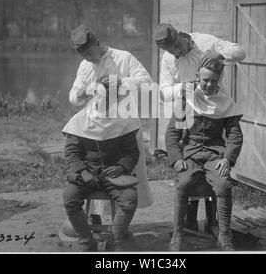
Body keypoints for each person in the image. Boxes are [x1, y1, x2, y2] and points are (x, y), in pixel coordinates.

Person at [155, 23, 246, 231]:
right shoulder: (169, 59)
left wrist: (218, 56)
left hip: (215, 106)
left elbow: (240, 51)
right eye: (170, 50)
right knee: (189, 163)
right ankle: (189, 224)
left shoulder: (204, 41)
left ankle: (214, 224)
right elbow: (163, 93)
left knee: (214, 162)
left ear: (180, 35)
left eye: (176, 46)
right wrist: (187, 86)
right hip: (188, 105)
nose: (175, 52)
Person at [165, 60, 243, 251]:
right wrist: (177, 159)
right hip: (190, 152)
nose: (209, 85)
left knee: (223, 185)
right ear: (198, 77)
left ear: (219, 80)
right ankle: (178, 233)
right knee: (182, 184)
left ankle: (225, 235)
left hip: (215, 154)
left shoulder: (225, 103)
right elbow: (172, 133)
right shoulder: (187, 99)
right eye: (205, 80)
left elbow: (235, 135)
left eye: (213, 81)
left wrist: (227, 158)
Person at [62, 78, 141, 251]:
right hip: (86, 172)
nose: (102, 101)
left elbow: (132, 152)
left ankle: (114, 240)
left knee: (129, 200)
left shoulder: (123, 120)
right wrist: (82, 172)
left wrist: (121, 167)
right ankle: (86, 240)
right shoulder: (80, 120)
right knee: (70, 198)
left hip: (115, 173)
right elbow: (71, 154)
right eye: (98, 95)